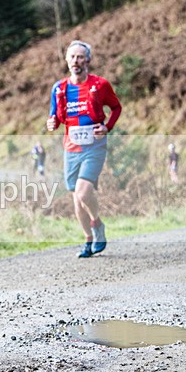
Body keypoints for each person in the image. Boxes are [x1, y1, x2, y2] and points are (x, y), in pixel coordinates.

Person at [47, 40, 121, 258]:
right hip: (71, 148)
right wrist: (51, 123)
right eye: (72, 57)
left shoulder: (100, 85)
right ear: (67, 60)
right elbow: (55, 117)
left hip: (94, 146)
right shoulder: (59, 88)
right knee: (76, 198)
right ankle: (88, 240)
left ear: (88, 60)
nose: (76, 61)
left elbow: (116, 107)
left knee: (83, 190)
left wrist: (107, 127)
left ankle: (98, 225)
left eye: (80, 57)